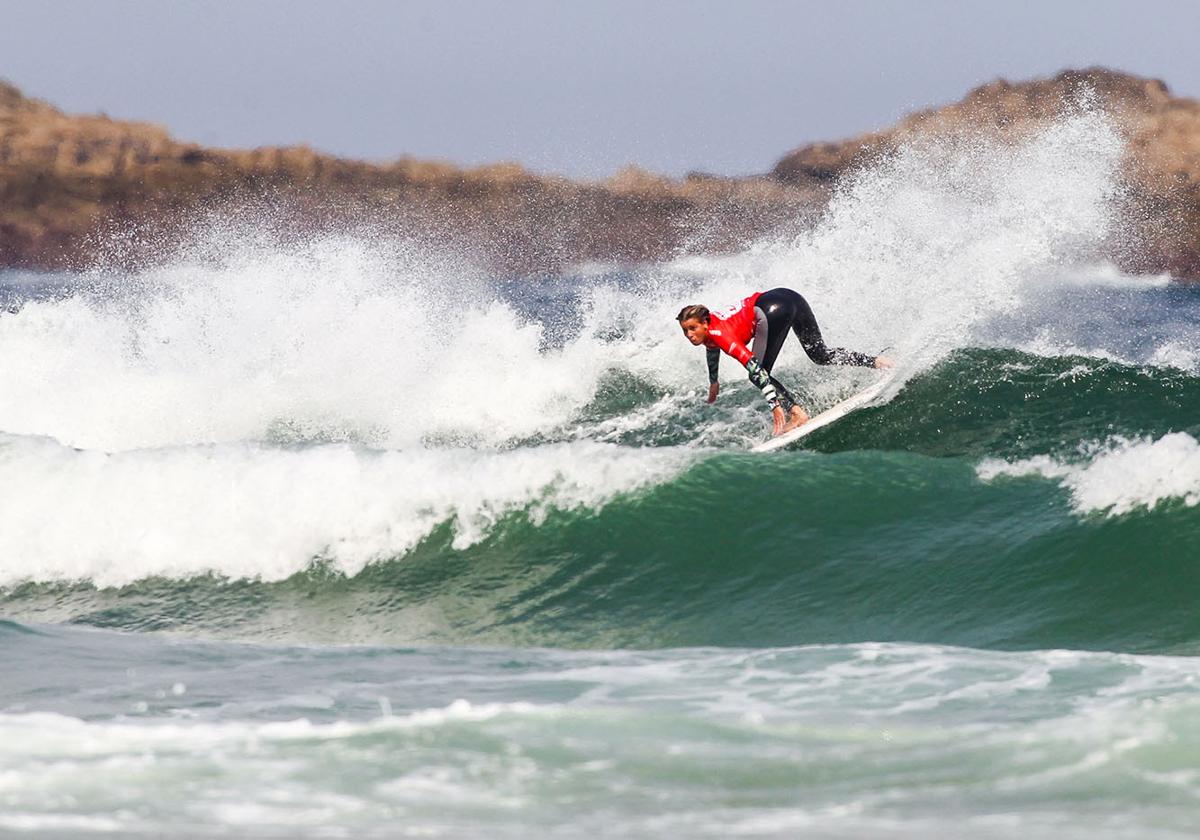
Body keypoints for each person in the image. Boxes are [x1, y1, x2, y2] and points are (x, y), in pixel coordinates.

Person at [677, 288, 891, 436]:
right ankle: (878, 362)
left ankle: (796, 413)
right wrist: (713, 381)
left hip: (771, 311)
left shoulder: (721, 334)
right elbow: (711, 347)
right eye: (685, 330)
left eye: (692, 328)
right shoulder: (710, 330)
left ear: (705, 324)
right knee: (820, 354)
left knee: (756, 374)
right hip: (790, 297)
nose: (689, 335)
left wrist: (775, 406)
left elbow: (755, 368)